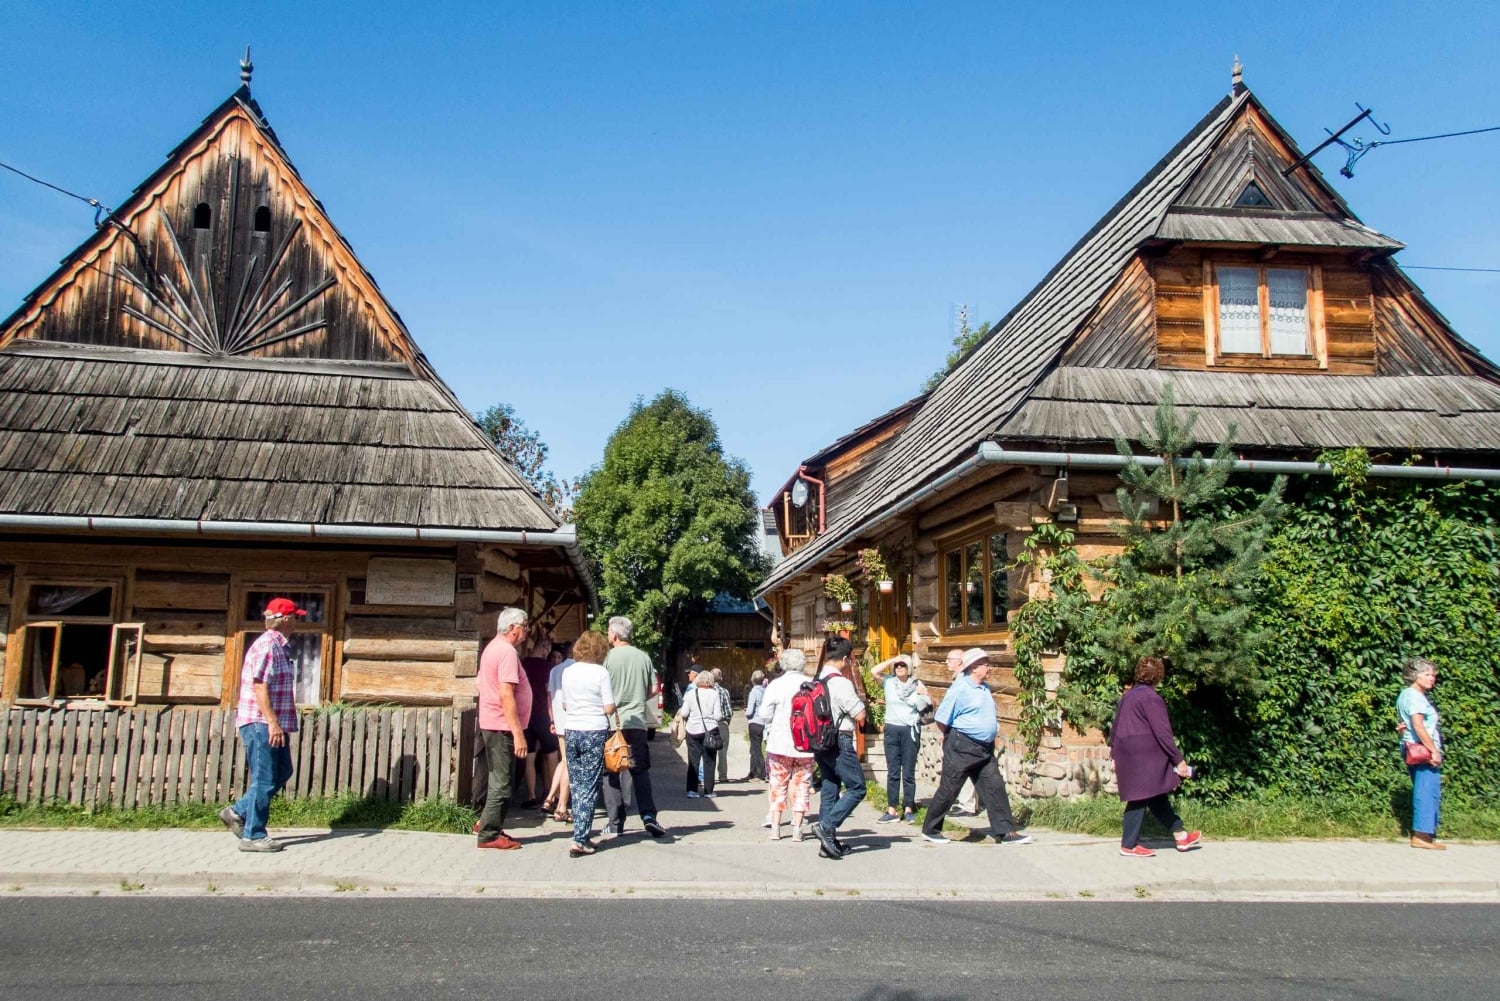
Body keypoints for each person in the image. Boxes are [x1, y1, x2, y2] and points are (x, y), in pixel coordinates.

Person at [922, 647, 1031, 847]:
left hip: (984, 749)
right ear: (973, 668)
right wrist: (952, 737)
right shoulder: (960, 688)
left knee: (994, 787)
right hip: (961, 746)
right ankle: (931, 829)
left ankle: (1006, 832)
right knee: (950, 788)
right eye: (985, 664)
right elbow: (941, 718)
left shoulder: (984, 687)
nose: (989, 668)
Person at [220, 597, 304, 852]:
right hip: (261, 722)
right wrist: (272, 723)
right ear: (287, 619)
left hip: (268, 722)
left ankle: (237, 812)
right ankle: (253, 835)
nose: (298, 621)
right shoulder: (268, 645)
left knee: (282, 772)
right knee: (265, 778)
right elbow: (260, 685)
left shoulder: (279, 646)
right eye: (296, 617)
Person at [1110, 655, 1201, 857]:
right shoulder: (1152, 698)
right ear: (1159, 676)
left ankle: (1181, 835)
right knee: (1140, 797)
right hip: (1145, 754)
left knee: (1156, 795)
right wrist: (1178, 758)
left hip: (1126, 752)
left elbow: (1115, 727)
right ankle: (1129, 845)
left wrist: (1114, 751)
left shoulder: (1128, 696)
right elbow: (1163, 732)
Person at [601, 616, 668, 839]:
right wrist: (637, 698)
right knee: (639, 770)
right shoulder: (643, 657)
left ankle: (615, 823)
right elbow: (654, 689)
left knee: (611, 771)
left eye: (609, 631)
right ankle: (648, 816)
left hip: (612, 723)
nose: (608, 635)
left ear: (615, 634)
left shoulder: (607, 658)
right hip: (637, 722)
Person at [475, 607, 531, 850]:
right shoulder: (506, 652)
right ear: (512, 628)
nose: (527, 631)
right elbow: (507, 694)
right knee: (503, 782)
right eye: (525, 626)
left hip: (493, 722)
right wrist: (518, 734)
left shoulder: (492, 648)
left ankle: (487, 822)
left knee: (500, 777)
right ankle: (488, 834)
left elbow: (480, 683)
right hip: (501, 726)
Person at [558, 631, 615, 857]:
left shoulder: (568, 671)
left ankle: (581, 834)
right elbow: (609, 707)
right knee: (590, 786)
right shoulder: (601, 672)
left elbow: (564, 704)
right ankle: (580, 838)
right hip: (594, 730)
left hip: (571, 729)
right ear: (600, 651)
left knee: (577, 783)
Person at [811, 636, 867, 861]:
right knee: (857, 788)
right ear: (844, 658)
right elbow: (859, 714)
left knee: (830, 787)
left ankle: (828, 844)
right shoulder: (841, 683)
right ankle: (827, 826)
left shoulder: (815, 681)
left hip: (819, 741)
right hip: (840, 740)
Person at [761, 648, 817, 840]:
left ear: (783, 664)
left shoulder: (776, 685)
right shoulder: (811, 684)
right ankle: (797, 829)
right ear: (803, 664)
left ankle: (775, 827)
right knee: (802, 785)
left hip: (779, 743)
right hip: (805, 744)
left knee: (778, 784)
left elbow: (764, 715)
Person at [870, 655, 930, 824]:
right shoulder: (889, 682)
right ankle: (892, 810)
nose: (899, 668)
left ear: (909, 667)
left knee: (909, 771)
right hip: (892, 729)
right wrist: (892, 660)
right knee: (893, 771)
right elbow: (874, 671)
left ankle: (909, 808)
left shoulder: (917, 684)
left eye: (903, 665)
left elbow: (926, 705)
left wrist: (924, 695)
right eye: (897, 666)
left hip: (910, 730)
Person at [1398, 657, 1446, 850]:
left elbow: (1408, 723)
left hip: (1416, 745)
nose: (1431, 678)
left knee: (1428, 789)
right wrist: (1433, 750)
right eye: (1427, 674)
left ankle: (1426, 835)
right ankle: (1421, 836)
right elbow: (1418, 726)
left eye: (1433, 675)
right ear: (1415, 675)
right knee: (1427, 790)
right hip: (1421, 748)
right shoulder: (1413, 696)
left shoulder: (1412, 695)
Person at [520, 635, 557, 810]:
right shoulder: (547, 667)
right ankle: (552, 793)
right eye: (548, 651)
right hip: (542, 714)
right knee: (551, 752)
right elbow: (548, 692)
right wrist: (553, 718)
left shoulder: (522, 663)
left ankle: (531, 795)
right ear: (544, 648)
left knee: (529, 755)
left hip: (525, 715)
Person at [679, 670, 728, 797]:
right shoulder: (714, 694)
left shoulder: (690, 693)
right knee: (709, 761)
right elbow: (717, 716)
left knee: (693, 760)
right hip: (710, 730)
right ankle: (708, 791)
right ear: (710, 681)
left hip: (693, 730)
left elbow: (684, 713)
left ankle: (692, 790)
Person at [543, 641, 575, 823]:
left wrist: (553, 719)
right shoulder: (577, 670)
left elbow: (550, 698)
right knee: (570, 763)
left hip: (560, 721)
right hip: (576, 721)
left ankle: (549, 798)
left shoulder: (554, 671)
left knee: (564, 761)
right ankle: (561, 806)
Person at [744, 670, 769, 781]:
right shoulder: (766, 690)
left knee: (756, 749)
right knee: (754, 748)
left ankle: (761, 773)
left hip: (754, 722)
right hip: (763, 722)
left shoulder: (753, 692)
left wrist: (746, 713)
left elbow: (750, 711)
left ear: (752, 680)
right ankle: (752, 771)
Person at [711, 667, 732, 783]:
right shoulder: (724, 691)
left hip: (710, 723)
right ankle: (723, 775)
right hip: (722, 723)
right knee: (723, 751)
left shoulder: (707, 691)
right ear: (721, 678)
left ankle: (709, 775)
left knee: (710, 749)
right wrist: (726, 722)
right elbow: (729, 711)